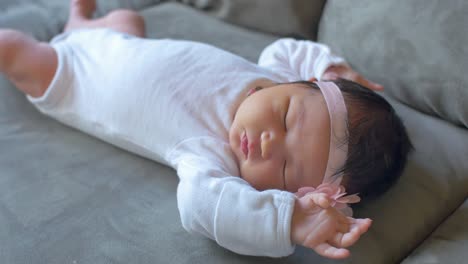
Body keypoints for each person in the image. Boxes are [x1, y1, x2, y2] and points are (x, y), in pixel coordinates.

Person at [0, 0, 412, 260]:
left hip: (72, 78)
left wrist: (290, 223)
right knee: (127, 19)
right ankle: (81, 26)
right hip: (118, 45)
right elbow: (290, 49)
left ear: (287, 194)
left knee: (13, 47)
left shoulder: (212, 159)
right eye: (286, 118)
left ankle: (74, 32)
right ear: (299, 85)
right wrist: (330, 66)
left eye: (285, 169)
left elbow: (203, 209)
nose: (269, 143)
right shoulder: (274, 73)